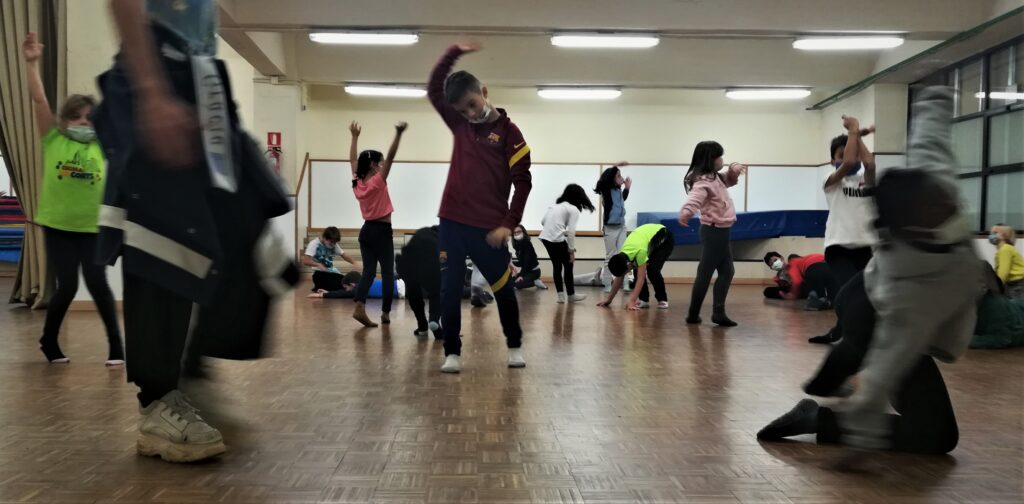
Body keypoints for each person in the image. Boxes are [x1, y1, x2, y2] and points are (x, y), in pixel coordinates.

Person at [98, 0, 296, 463]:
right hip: (155, 71)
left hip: (203, 76)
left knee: (248, 223)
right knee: (162, 241)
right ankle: (157, 402)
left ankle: (192, 369)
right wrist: (151, 91)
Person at [762, 90, 986, 462]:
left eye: (940, 202)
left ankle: (828, 394)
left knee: (937, 434)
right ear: (914, 229)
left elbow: (928, 142)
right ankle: (831, 382)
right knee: (864, 338)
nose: (946, 204)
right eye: (934, 208)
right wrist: (860, 442)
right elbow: (886, 367)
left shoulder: (932, 184)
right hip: (869, 302)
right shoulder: (910, 297)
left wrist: (933, 100)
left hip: (869, 278)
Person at [756, 273, 962, 455]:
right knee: (937, 434)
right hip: (883, 318)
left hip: (877, 307)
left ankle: (820, 418)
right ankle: (817, 419)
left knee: (937, 432)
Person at [428, 41, 532, 373]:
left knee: (503, 289)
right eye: (462, 111)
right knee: (449, 289)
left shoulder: (510, 134)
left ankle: (514, 346)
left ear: (484, 92)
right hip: (452, 222)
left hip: (489, 229)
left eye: (472, 105)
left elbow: (523, 183)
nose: (470, 115)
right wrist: (453, 52)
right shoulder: (460, 125)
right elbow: (433, 89)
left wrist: (508, 223)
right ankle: (452, 352)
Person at [22, 32, 123, 365]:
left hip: (93, 227)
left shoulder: (103, 145)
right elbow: (39, 101)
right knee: (66, 287)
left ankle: (116, 346)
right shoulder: (54, 140)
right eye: (76, 117)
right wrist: (32, 64)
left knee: (98, 284)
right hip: (59, 227)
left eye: (89, 118)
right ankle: (49, 341)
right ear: (65, 121)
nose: (83, 123)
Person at [810, 125, 878, 343]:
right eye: (841, 155)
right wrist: (854, 131)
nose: (850, 158)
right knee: (851, 293)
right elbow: (848, 163)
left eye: (854, 154)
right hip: (838, 248)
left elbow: (870, 163)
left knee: (864, 294)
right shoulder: (831, 181)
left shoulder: (866, 181)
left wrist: (857, 137)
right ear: (832, 161)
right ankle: (851, 337)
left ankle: (838, 332)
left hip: (864, 247)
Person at [678, 142, 746, 327]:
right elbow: (694, 198)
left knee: (726, 271)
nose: (721, 160)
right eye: (719, 157)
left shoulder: (715, 178)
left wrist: (734, 169)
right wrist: (686, 211)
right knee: (706, 273)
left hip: (721, 231)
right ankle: (695, 314)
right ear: (710, 159)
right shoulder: (703, 181)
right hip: (714, 232)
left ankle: (717, 313)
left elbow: (730, 179)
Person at [348, 121, 406, 327]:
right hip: (381, 231)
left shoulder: (358, 182)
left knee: (369, 272)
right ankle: (385, 313)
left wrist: (354, 137)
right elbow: (391, 157)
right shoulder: (377, 181)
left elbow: (353, 160)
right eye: (380, 163)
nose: (382, 165)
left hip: (366, 231)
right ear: (374, 165)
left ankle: (359, 306)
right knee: (388, 273)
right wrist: (398, 134)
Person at [598, 223, 675, 310]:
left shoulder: (640, 252)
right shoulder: (623, 255)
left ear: (628, 264)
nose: (625, 274)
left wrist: (632, 300)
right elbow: (619, 278)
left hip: (664, 239)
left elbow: (640, 278)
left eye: (625, 272)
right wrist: (609, 299)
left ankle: (662, 299)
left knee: (652, 270)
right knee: (637, 269)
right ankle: (644, 300)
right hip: (646, 239)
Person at [539, 184, 595, 304]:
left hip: (545, 237)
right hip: (556, 238)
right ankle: (571, 295)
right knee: (568, 264)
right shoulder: (573, 209)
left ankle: (561, 297)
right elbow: (571, 232)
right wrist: (571, 251)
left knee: (557, 266)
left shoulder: (554, 206)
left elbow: (542, 222)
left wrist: (556, 228)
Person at [581, 163, 631, 291]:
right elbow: (603, 182)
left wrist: (627, 188)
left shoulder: (618, 191)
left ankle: (625, 283)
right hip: (610, 228)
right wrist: (616, 166)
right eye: (618, 175)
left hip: (621, 227)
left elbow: (622, 200)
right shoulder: (606, 190)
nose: (622, 178)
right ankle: (607, 284)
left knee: (623, 255)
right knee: (611, 256)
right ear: (612, 178)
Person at [395, 226, 443, 339]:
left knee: (413, 294)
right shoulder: (443, 238)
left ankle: (422, 327)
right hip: (430, 264)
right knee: (436, 292)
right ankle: (434, 320)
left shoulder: (422, 231)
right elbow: (444, 257)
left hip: (407, 263)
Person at [762, 252, 837, 310]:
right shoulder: (779, 275)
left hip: (815, 270)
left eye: (775, 260)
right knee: (833, 297)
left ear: (781, 258)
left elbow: (797, 281)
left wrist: (793, 294)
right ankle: (829, 300)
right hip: (833, 268)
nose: (774, 264)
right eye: (771, 264)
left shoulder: (792, 263)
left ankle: (820, 299)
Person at [303, 226, 360, 291]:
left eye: (335, 242)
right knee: (335, 285)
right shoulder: (314, 244)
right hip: (319, 273)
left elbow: (344, 255)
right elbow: (305, 261)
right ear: (324, 237)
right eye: (331, 242)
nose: (333, 244)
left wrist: (354, 262)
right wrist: (318, 265)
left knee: (346, 283)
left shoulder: (334, 244)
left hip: (332, 272)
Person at [988, 224, 1024, 298]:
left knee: (1014, 304)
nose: (991, 235)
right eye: (991, 233)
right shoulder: (1006, 249)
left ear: (1004, 235)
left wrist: (995, 287)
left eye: (995, 233)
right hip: (1014, 283)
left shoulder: (1005, 250)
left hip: (1017, 285)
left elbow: (1003, 272)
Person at [511, 225, 546, 290]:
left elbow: (526, 262)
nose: (516, 234)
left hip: (534, 272)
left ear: (523, 232)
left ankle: (535, 282)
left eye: (519, 232)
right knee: (510, 282)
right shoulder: (517, 246)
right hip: (526, 272)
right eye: (514, 233)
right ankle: (530, 280)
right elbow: (521, 263)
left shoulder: (527, 243)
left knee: (517, 285)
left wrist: (521, 275)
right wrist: (511, 263)